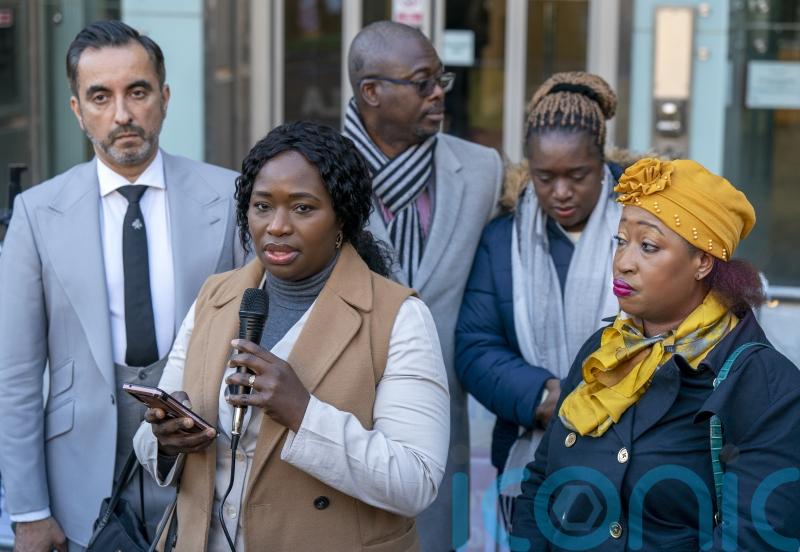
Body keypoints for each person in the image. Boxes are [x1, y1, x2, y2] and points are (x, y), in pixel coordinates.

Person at [132, 121, 450, 551]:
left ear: (342, 216)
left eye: (302, 208)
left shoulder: (398, 317)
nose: (277, 226)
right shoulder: (216, 296)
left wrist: (303, 413)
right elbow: (151, 438)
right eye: (263, 206)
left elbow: (416, 480)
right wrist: (167, 440)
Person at [0, 20, 242, 551]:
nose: (123, 114)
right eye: (100, 96)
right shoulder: (38, 213)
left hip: (207, 458)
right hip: (82, 473)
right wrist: (29, 513)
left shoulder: (228, 196)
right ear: (76, 110)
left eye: (138, 91)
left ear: (165, 96)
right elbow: (15, 377)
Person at [511, 158, 800, 550]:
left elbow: (751, 539)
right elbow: (539, 484)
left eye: (648, 246)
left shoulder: (763, 385)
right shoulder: (604, 350)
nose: (623, 262)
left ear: (702, 262)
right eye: (620, 241)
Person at [344, 21, 503, 550]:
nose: (438, 94)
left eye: (442, 80)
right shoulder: (310, 171)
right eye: (422, 82)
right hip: (337, 417)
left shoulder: (482, 171)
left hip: (441, 425)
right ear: (372, 92)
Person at [455, 72, 623, 528]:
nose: (561, 192)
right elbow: (475, 345)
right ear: (529, 169)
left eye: (578, 176)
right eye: (545, 177)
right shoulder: (501, 238)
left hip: (635, 455)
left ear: (602, 162)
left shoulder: (646, 228)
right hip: (533, 458)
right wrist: (546, 397)